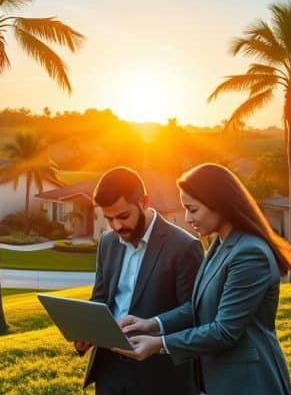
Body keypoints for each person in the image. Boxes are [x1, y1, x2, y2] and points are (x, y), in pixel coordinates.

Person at [114, 162, 291, 395]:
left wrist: (160, 344)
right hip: (220, 379)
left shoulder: (250, 254)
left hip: (250, 381)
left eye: (193, 209)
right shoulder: (218, 245)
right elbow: (201, 308)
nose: (187, 218)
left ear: (219, 204)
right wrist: (150, 324)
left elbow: (224, 330)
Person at [74, 166, 203, 394]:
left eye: (123, 216)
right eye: (109, 219)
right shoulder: (107, 242)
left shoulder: (184, 247)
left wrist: (153, 323)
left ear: (144, 201)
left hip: (160, 373)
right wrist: (87, 329)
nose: (116, 226)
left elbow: (194, 310)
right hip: (109, 370)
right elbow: (101, 297)